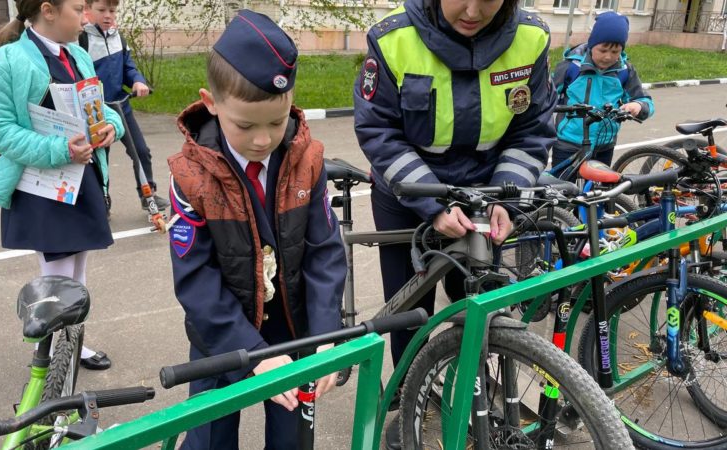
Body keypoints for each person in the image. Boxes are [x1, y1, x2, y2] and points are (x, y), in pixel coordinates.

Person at [353, 0, 557, 446]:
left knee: (480, 301)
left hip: (487, 194)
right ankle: (413, 399)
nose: (472, 10)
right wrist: (434, 207)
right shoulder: (392, 39)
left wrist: (508, 196)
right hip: (411, 195)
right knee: (409, 308)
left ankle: (471, 393)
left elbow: (533, 129)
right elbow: (379, 132)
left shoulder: (531, 38)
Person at [167, 10, 347, 450]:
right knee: (209, 439)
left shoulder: (309, 160)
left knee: (293, 441)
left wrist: (325, 339)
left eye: (277, 121)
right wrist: (254, 355)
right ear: (210, 103)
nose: (264, 139)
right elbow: (196, 280)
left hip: (292, 327)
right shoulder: (190, 176)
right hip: (221, 337)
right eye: (246, 125)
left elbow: (325, 251)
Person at [0, 0, 124, 370]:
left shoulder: (77, 55)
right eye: (78, 8)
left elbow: (99, 106)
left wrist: (111, 127)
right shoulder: (4, 62)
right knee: (57, 271)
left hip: (82, 176)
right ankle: (50, 355)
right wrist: (58, 149)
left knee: (77, 266)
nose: (86, 17)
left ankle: (72, 344)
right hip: (41, 185)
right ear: (48, 10)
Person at [80, 0, 169, 212]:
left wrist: (137, 81)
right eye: (101, 10)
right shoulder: (81, 40)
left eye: (112, 10)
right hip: (98, 112)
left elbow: (129, 68)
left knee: (141, 151)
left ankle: (148, 195)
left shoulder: (118, 38)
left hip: (122, 107)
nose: (108, 15)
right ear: (87, 10)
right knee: (101, 159)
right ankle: (102, 200)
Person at [551, 11, 654, 168]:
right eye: (603, 50)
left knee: (598, 191)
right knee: (562, 189)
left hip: (604, 145)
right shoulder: (571, 67)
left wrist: (638, 106)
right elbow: (546, 96)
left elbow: (644, 100)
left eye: (615, 52)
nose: (608, 57)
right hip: (569, 142)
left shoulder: (624, 71)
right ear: (592, 45)